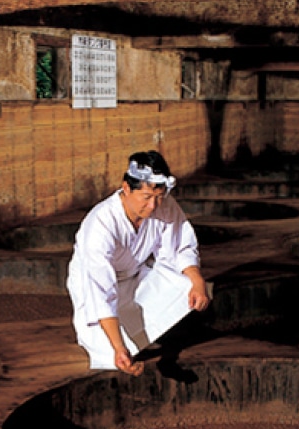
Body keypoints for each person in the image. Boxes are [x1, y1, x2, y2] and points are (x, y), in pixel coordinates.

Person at [66, 150, 210, 376]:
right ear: (126, 188)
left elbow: (180, 248)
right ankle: (119, 342)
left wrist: (197, 281)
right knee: (109, 353)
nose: (153, 205)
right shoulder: (100, 223)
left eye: (159, 197)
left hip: (135, 275)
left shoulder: (164, 205)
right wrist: (118, 348)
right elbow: (100, 289)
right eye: (146, 197)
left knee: (187, 284)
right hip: (92, 286)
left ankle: (145, 335)